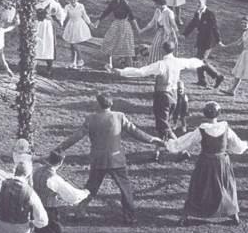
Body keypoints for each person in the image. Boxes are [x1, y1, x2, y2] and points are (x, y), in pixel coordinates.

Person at [53, 92, 164, 225]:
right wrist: (152, 140)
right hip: (116, 160)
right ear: (110, 104)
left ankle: (80, 211)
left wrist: (60, 148)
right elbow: (136, 132)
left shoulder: (91, 119)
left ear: (99, 104)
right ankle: (129, 216)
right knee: (125, 189)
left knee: (91, 187)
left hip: (98, 160)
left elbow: (76, 137)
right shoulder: (119, 116)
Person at [166, 101, 248, 226]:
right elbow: (237, 146)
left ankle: (186, 215)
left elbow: (186, 142)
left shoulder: (202, 130)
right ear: (219, 113)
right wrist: (246, 145)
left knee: (198, 188)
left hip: (205, 162)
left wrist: (170, 144)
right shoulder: (225, 128)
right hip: (222, 162)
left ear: (205, 114)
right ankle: (233, 214)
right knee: (226, 187)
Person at [114, 41, 207, 140]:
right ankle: (162, 147)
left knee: (163, 126)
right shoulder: (179, 61)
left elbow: (141, 72)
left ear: (162, 50)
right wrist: (201, 62)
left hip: (162, 96)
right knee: (164, 123)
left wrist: (121, 72)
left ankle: (180, 149)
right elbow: (191, 62)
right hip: (174, 96)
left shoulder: (160, 65)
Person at [32, 151, 75, 233]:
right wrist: (84, 194)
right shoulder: (54, 178)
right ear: (60, 162)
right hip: (49, 211)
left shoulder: (37, 172)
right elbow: (70, 195)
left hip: (36, 208)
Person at [183, 0, 224, 88]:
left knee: (200, 60)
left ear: (204, 3)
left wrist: (219, 40)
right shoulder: (197, 13)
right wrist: (184, 34)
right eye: (196, 2)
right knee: (198, 59)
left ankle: (218, 76)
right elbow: (192, 24)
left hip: (209, 41)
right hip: (201, 39)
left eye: (199, 2)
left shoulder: (210, 14)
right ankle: (202, 81)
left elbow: (215, 28)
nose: (197, 4)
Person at [98, 0, 138, 71]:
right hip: (116, 24)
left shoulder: (124, 3)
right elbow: (106, 12)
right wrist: (98, 20)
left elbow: (132, 16)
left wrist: (137, 29)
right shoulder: (113, 2)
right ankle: (109, 64)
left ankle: (129, 68)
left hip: (124, 25)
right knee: (108, 42)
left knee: (126, 46)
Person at [139, 0, 179, 64]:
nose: (154, 5)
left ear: (160, 4)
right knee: (154, 48)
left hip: (168, 34)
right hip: (160, 32)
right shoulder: (157, 11)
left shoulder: (169, 12)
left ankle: (165, 67)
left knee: (165, 50)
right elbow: (152, 22)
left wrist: (177, 34)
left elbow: (174, 24)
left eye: (156, 3)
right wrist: (142, 30)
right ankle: (153, 66)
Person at [60, 0, 93, 69]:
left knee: (74, 43)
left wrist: (90, 23)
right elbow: (63, 15)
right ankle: (73, 62)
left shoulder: (81, 6)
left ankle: (80, 59)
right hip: (71, 25)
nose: (72, 0)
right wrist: (60, 20)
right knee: (72, 45)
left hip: (79, 25)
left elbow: (85, 16)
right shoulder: (67, 6)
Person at [34, 5, 56, 74]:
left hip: (47, 25)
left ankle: (49, 68)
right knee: (36, 46)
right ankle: (33, 67)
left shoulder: (50, 0)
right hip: (38, 23)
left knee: (48, 46)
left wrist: (50, 15)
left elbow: (55, 10)